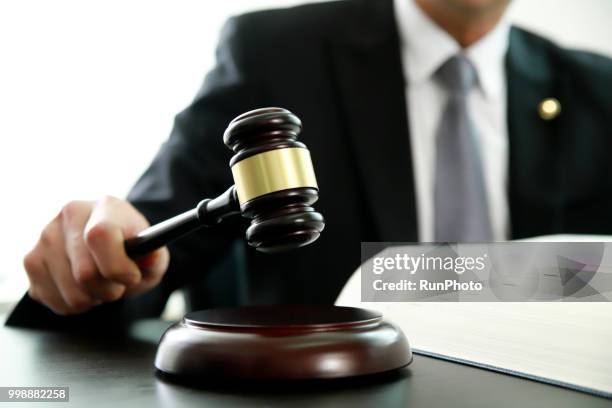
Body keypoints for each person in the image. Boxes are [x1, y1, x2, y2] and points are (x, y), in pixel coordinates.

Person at [6, 0, 612, 330]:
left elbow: (595, 274)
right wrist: (92, 254)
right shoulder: (272, 54)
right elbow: (148, 249)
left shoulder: (596, 89)